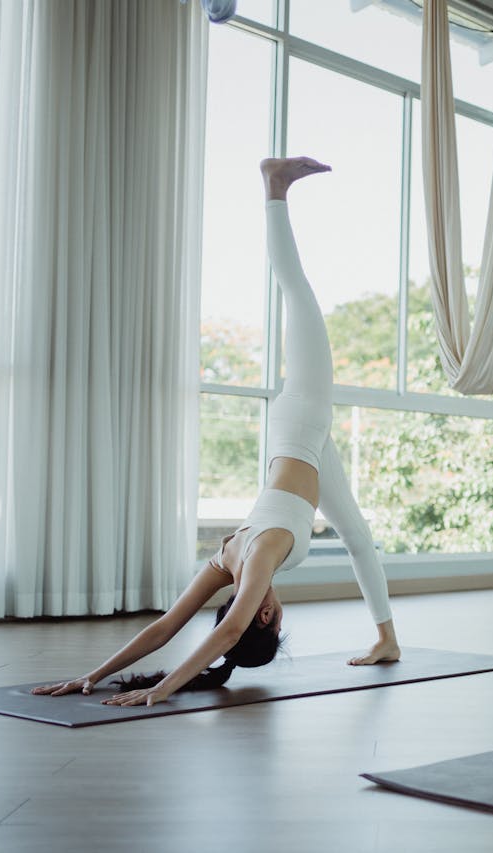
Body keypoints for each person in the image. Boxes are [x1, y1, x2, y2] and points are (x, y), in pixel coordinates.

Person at [33, 157, 400, 707]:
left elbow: (225, 635)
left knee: (297, 294)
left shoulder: (261, 561)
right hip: (301, 442)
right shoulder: (226, 560)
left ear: (266, 614)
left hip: (302, 417)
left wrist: (161, 690)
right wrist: (94, 674)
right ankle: (387, 638)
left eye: (272, 623)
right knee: (354, 532)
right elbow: (167, 628)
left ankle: (274, 187)